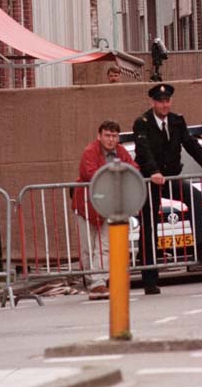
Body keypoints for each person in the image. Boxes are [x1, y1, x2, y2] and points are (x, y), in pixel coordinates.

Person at [133, 83, 202, 294]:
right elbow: (143, 151)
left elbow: (192, 146)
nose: (164, 105)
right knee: (149, 224)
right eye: (160, 101)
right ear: (152, 102)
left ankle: (200, 249)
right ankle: (150, 278)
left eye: (167, 101)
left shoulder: (176, 121)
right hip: (150, 180)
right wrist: (154, 172)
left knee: (195, 195)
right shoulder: (143, 123)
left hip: (170, 178)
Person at [71, 119, 138, 300]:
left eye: (114, 136)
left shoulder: (121, 152)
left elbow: (133, 169)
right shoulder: (90, 152)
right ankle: (92, 280)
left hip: (109, 206)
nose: (110, 139)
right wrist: (116, 176)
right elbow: (92, 174)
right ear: (99, 136)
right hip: (87, 206)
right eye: (107, 135)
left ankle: (98, 283)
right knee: (87, 247)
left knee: (104, 246)